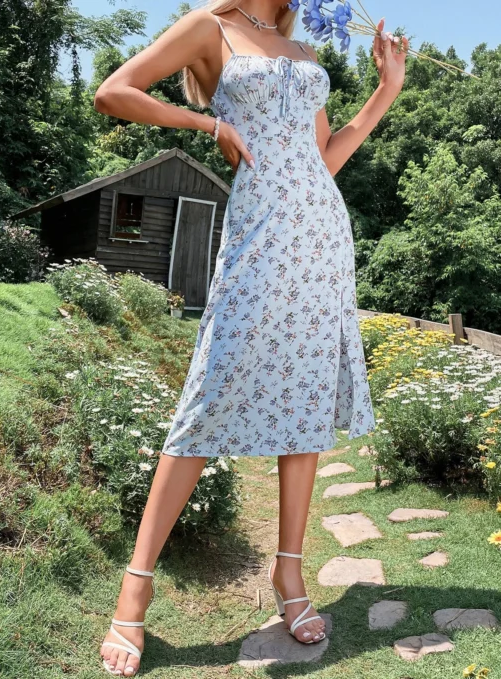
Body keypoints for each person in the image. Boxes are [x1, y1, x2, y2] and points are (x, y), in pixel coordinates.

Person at [93, 1, 408, 675]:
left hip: (321, 237)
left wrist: (385, 91)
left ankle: (290, 577)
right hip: (260, 234)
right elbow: (112, 93)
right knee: (208, 396)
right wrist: (208, 124)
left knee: (305, 397)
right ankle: (135, 585)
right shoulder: (211, 27)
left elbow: (325, 158)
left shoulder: (305, 51)